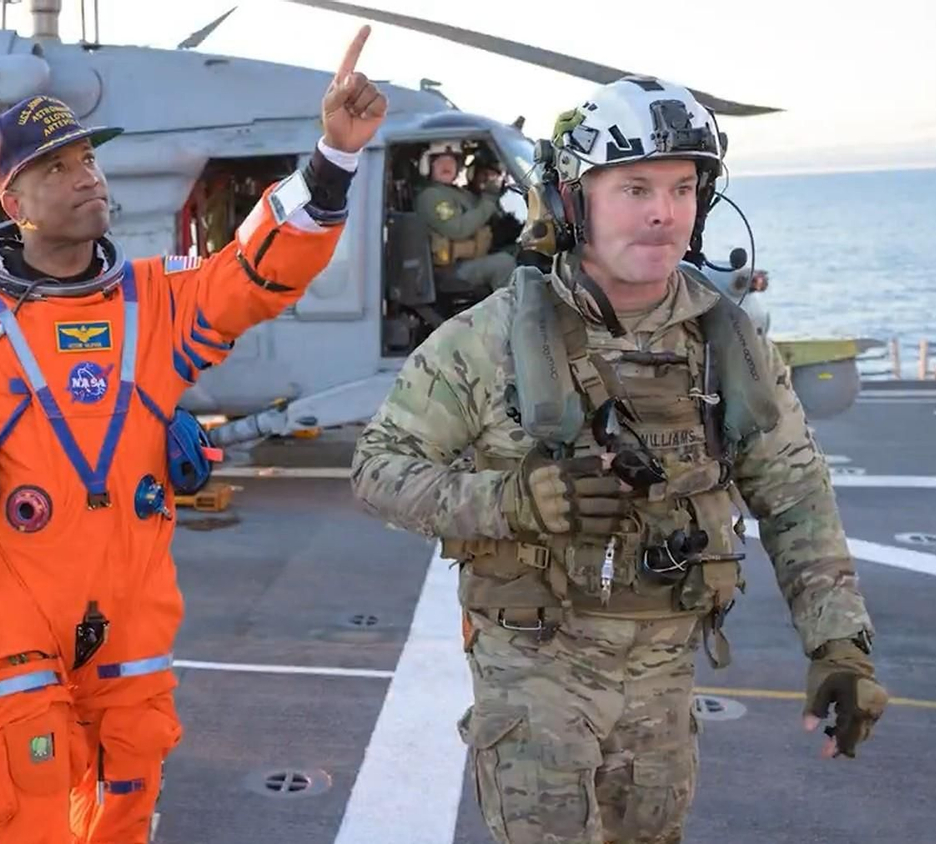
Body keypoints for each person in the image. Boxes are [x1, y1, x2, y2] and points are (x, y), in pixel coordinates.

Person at [0, 27, 386, 844]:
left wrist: (333, 157)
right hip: (12, 632)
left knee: (125, 815)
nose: (85, 175)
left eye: (88, 159)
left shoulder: (155, 301)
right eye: (56, 166)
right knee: (26, 818)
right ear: (12, 199)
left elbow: (257, 271)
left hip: (131, 630)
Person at [351, 76, 887, 844]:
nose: (663, 212)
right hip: (535, 677)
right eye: (634, 187)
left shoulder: (726, 345)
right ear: (575, 201)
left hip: (663, 684)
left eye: (682, 188)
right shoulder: (489, 339)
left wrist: (839, 647)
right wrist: (511, 501)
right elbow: (377, 468)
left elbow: (797, 494)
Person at [417, 140, 516, 293]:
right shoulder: (430, 196)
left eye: (451, 161)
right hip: (451, 270)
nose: (446, 165)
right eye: (440, 161)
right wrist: (489, 199)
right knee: (504, 263)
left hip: (471, 260)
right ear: (428, 166)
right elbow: (458, 229)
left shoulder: (459, 192)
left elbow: (485, 215)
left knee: (521, 252)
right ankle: (513, 314)